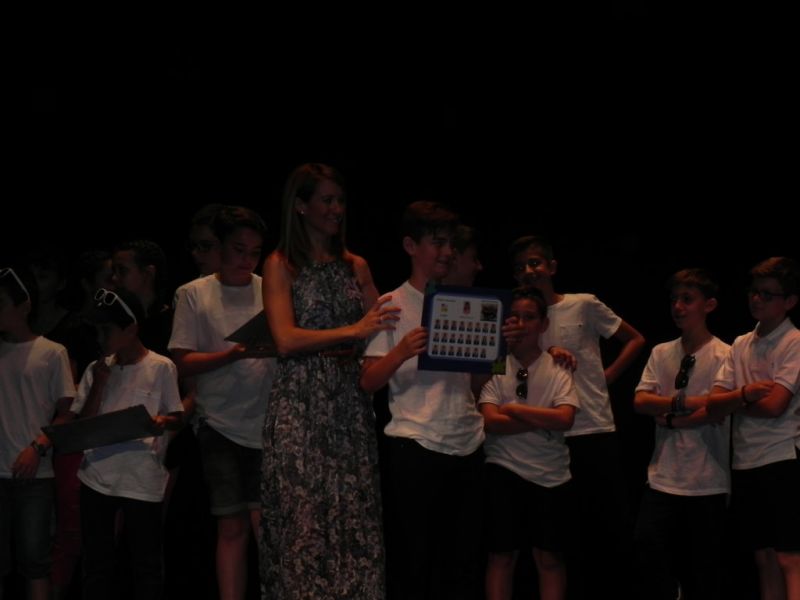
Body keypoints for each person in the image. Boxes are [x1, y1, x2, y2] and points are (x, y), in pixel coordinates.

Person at [260, 163, 394, 600]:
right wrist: (351, 332)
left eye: (340, 200)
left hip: (348, 406)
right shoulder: (281, 264)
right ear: (301, 206)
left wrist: (360, 344)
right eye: (327, 200)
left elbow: (382, 328)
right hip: (300, 405)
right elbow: (285, 338)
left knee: (352, 516)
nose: (337, 209)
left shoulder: (356, 265)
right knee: (304, 521)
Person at [361, 201, 485, 600]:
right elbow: (368, 381)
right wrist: (401, 351)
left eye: (450, 244)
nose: (446, 252)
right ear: (411, 246)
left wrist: (493, 352)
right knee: (416, 561)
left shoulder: (466, 304)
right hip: (416, 443)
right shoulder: (392, 304)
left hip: (468, 441)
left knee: (463, 562)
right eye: (437, 242)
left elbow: (475, 385)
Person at [509, 235, 646, 598]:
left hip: (593, 426)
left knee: (609, 524)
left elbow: (634, 339)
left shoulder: (582, 304)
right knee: (561, 534)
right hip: (546, 436)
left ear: (552, 267)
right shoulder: (518, 317)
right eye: (521, 266)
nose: (529, 271)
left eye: (535, 262)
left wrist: (607, 376)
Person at [169, 205, 274, 600]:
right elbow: (182, 360)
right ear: (220, 247)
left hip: (268, 421)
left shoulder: (270, 289)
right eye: (238, 250)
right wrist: (233, 354)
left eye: (255, 252)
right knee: (231, 525)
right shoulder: (194, 293)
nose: (247, 260)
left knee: (267, 524)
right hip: (219, 422)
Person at [70, 287, 183, 600]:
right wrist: (100, 383)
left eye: (106, 329)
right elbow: (82, 426)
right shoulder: (97, 369)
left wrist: (161, 422)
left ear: (131, 329)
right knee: (96, 563)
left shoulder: (161, 367)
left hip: (141, 478)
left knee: (146, 564)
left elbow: (176, 416)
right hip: (97, 476)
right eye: (96, 329)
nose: (100, 337)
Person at [633, 268, 732, 600]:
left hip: (707, 478)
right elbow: (640, 401)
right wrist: (685, 403)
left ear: (709, 305)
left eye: (687, 299)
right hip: (664, 474)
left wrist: (673, 420)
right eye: (674, 299)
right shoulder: (662, 352)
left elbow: (716, 408)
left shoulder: (725, 354)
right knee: (647, 543)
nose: (678, 306)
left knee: (705, 566)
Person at [706, 257, 800, 600]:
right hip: (746, 460)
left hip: (782, 457)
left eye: (767, 294)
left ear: (789, 301)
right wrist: (745, 394)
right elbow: (714, 403)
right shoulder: (741, 343)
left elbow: (775, 406)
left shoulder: (794, 341)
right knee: (764, 558)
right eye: (754, 291)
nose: (757, 299)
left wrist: (734, 401)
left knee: (789, 557)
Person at [479, 286, 578, 600]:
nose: (520, 324)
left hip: (551, 475)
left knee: (549, 558)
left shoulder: (558, 366)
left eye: (529, 317)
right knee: (501, 556)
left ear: (543, 324)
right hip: (503, 468)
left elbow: (565, 418)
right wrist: (542, 419)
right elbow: (490, 421)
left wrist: (515, 410)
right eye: (515, 317)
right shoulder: (496, 364)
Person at [0, 267, 75, 600]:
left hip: (35, 475)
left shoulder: (52, 352)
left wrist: (38, 446)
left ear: (24, 305)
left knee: (35, 561)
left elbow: (67, 412)